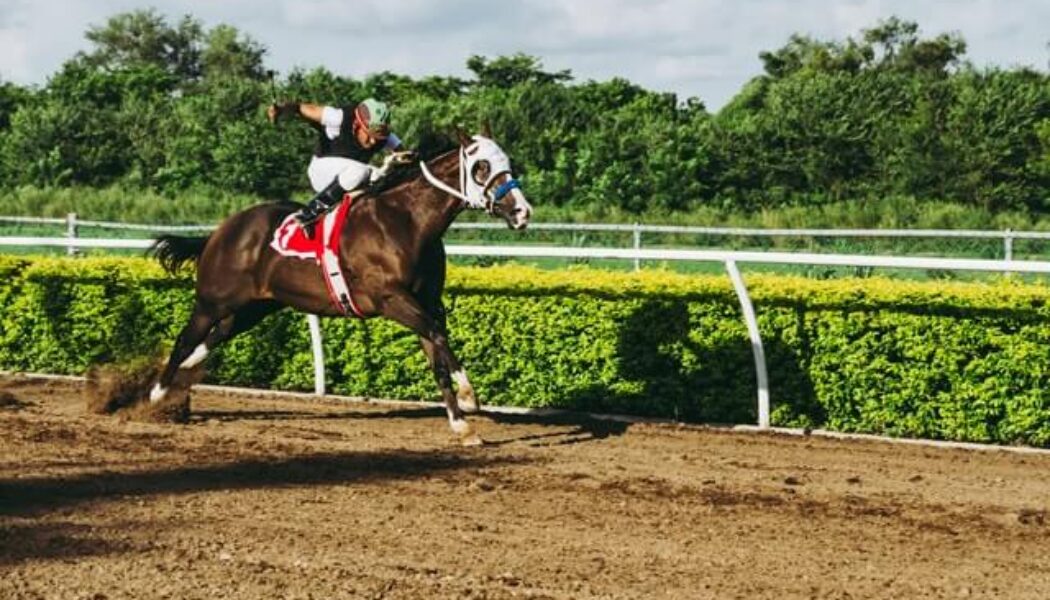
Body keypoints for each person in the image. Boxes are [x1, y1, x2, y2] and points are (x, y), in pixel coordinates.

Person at [267, 97, 415, 235]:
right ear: (357, 125)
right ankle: (308, 214)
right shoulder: (337, 118)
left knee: (379, 177)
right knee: (363, 171)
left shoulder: (385, 136)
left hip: (348, 179)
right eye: (369, 135)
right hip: (321, 171)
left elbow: (406, 156)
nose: (373, 142)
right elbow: (300, 107)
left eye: (377, 138)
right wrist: (280, 109)